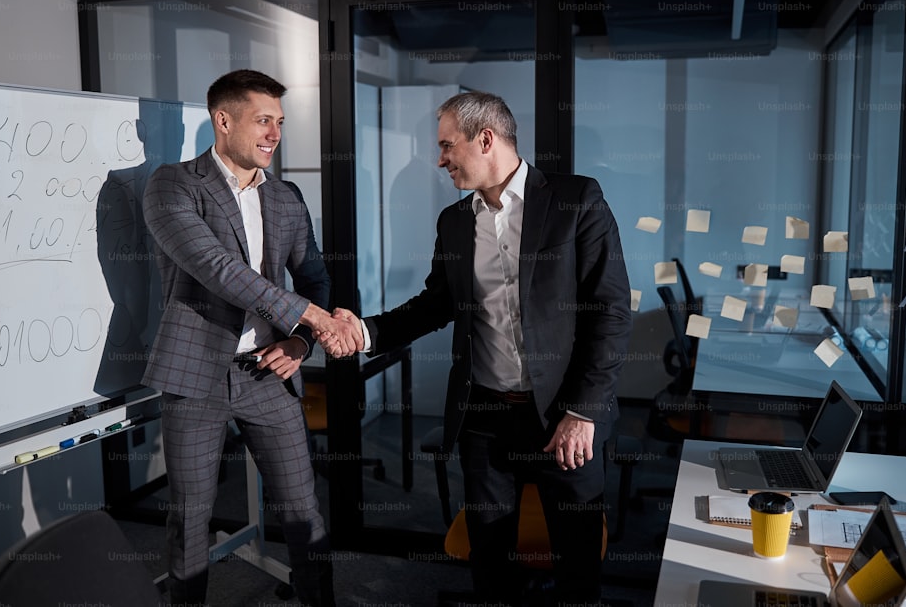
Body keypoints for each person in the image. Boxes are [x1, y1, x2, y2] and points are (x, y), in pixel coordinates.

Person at [322, 91, 632, 606]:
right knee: (491, 561)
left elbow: (611, 312)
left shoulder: (577, 200)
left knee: (576, 564)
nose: (439, 159)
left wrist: (583, 412)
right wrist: (367, 332)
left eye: (447, 146)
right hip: (485, 420)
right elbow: (434, 305)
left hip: (564, 417)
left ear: (485, 138)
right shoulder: (454, 221)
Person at [142, 69, 358, 606]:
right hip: (195, 375)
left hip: (266, 373)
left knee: (304, 509)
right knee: (190, 520)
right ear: (223, 120)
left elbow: (315, 278)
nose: (274, 134)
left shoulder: (285, 197)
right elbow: (217, 268)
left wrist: (300, 343)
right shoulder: (173, 185)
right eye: (263, 120)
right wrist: (315, 318)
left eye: (279, 122)